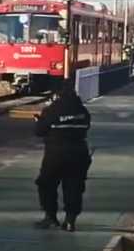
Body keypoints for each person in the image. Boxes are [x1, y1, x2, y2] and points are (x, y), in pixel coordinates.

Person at [33, 82, 92, 232]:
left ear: (57, 95)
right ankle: (70, 221)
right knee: (74, 186)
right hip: (79, 153)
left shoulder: (51, 110)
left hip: (56, 154)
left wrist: (38, 121)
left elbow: (40, 131)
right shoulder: (83, 111)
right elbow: (85, 127)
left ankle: (51, 217)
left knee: (46, 184)